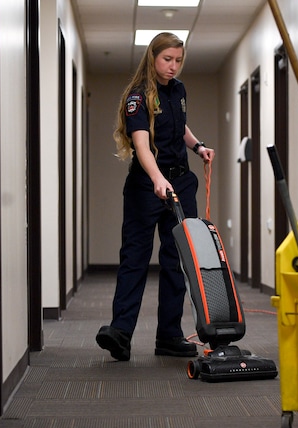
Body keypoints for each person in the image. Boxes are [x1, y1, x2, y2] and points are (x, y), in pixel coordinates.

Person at [96, 32, 215, 361]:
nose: (173, 66)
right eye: (167, 60)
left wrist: (199, 146)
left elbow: (181, 127)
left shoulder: (178, 91)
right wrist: (157, 178)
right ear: (152, 59)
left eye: (178, 60)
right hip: (146, 186)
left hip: (180, 184)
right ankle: (120, 332)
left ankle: (169, 335)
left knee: (177, 260)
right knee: (134, 257)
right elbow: (142, 144)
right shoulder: (138, 96)